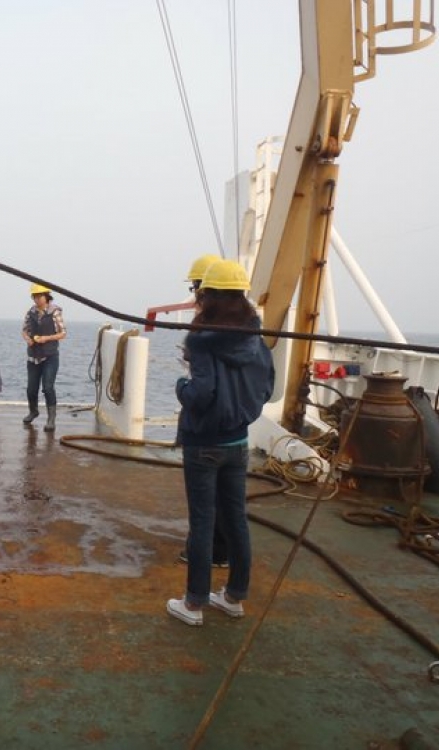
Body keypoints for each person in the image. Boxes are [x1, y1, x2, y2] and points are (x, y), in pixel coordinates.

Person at [166, 259, 274, 627]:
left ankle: (194, 603)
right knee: (235, 520)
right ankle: (233, 597)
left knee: (202, 522)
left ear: (207, 294)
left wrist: (181, 386)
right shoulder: (255, 337)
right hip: (238, 441)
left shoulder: (202, 340)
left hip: (204, 444)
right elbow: (267, 388)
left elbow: (200, 394)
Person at [179, 253, 230, 569]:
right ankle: (225, 556)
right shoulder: (247, 330)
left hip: (205, 431)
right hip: (235, 431)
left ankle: (201, 564)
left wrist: (181, 387)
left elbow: (201, 391)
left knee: (202, 501)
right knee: (226, 500)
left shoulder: (204, 332)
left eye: (196, 287)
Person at [21, 283, 66, 432]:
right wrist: (28, 339)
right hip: (33, 357)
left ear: (46, 296)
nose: (37, 299)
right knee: (31, 389)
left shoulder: (55, 312)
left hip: (50, 356)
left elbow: (63, 333)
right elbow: (24, 331)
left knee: (48, 387)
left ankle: (51, 419)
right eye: (35, 297)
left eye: (39, 296)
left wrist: (47, 338)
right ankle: (33, 411)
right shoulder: (30, 312)